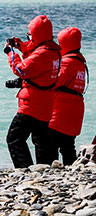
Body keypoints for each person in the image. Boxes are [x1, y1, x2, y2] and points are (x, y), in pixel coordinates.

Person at [3, 15, 61, 168]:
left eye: (30, 34)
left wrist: (11, 53)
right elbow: (35, 56)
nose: (28, 36)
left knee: (14, 138)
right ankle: (44, 169)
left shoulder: (42, 54)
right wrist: (21, 46)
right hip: (46, 104)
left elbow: (21, 70)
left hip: (31, 105)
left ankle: (24, 170)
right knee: (41, 140)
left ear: (37, 34)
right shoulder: (54, 51)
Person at [48, 27, 88, 165]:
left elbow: (53, 82)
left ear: (65, 44)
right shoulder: (80, 63)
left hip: (62, 110)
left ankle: (50, 171)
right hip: (76, 110)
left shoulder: (66, 63)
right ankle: (71, 168)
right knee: (68, 146)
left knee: (51, 144)